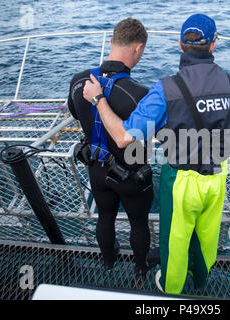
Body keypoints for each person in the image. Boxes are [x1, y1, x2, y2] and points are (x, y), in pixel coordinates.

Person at [83, 14, 230, 294]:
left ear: (180, 44)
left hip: (182, 181)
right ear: (214, 45)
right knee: (206, 238)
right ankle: (201, 283)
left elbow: (123, 137)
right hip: (218, 177)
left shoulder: (166, 90)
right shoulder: (229, 84)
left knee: (175, 241)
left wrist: (98, 100)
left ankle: (170, 289)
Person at [67, 17, 154, 279]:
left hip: (96, 167)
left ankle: (108, 262)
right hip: (131, 172)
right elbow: (153, 134)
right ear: (138, 48)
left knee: (104, 217)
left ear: (111, 42)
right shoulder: (140, 94)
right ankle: (140, 268)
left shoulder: (78, 81)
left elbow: (75, 113)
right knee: (139, 223)